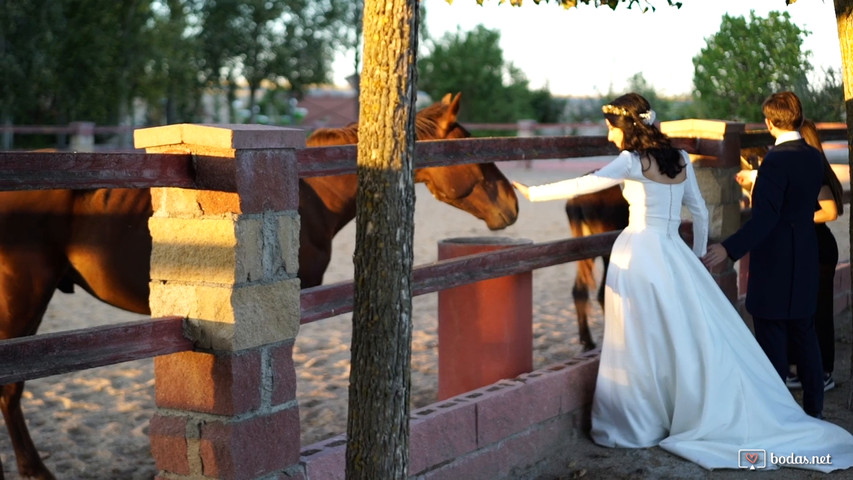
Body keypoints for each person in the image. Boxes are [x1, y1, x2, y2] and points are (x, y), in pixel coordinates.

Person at [513, 92, 853, 471]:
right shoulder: (681, 158)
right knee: (678, 336)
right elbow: (701, 212)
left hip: (640, 253)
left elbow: (584, 184)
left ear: (625, 127)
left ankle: (640, 422)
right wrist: (695, 256)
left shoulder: (631, 160)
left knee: (637, 339)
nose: (609, 136)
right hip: (675, 252)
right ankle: (798, 408)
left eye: (610, 128)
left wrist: (532, 193)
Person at [704, 92, 825, 419]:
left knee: (772, 335)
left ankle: (778, 415)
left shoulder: (775, 160)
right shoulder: (813, 157)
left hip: (775, 261)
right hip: (806, 254)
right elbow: (802, 203)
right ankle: (814, 412)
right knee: (804, 334)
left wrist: (728, 248)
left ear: (769, 123)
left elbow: (767, 218)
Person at [786, 119, 844, 392]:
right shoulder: (810, 166)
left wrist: (795, 220)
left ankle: (822, 373)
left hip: (819, 247)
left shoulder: (815, 168)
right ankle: (805, 368)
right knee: (808, 309)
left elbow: (830, 211)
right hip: (814, 246)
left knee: (818, 310)